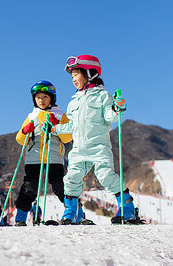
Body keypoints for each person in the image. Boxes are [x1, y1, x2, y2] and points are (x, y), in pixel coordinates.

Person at [52, 55, 139, 224]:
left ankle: (127, 208)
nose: (73, 80)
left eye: (76, 74)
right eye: (72, 77)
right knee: (71, 178)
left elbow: (110, 116)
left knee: (105, 176)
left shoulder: (103, 96)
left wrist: (117, 108)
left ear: (90, 73)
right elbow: (71, 126)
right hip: (78, 149)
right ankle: (72, 212)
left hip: (98, 146)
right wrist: (54, 128)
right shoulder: (73, 102)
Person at [14, 81, 73, 226]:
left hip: (54, 158)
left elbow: (68, 137)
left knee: (59, 186)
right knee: (29, 187)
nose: (41, 100)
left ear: (52, 98)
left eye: (45, 97)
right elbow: (20, 140)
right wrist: (24, 131)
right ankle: (21, 217)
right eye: (38, 97)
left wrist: (57, 125)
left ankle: (75, 212)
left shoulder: (60, 115)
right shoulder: (31, 116)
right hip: (34, 158)